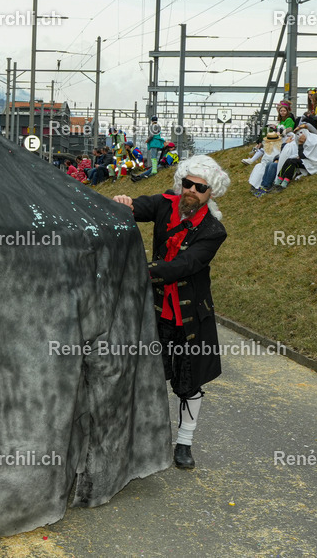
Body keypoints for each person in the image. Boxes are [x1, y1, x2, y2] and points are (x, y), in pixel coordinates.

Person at [113, 155, 230, 469]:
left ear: (211, 192)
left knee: (189, 384)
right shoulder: (165, 204)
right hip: (154, 310)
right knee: (144, 376)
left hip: (190, 317)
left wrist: (143, 271)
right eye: (188, 184)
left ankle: (184, 444)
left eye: (200, 188)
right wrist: (125, 202)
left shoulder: (213, 230)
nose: (191, 191)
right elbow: (138, 207)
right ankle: (139, 439)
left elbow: (186, 264)